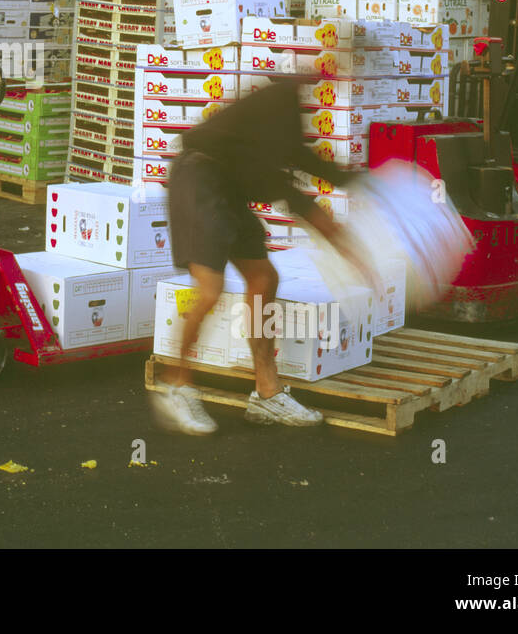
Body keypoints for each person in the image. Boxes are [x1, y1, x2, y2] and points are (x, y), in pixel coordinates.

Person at [151, 76, 377, 435]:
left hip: (228, 186)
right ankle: (176, 385)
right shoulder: (274, 117)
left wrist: (366, 182)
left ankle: (266, 393)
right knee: (209, 288)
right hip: (198, 179)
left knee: (264, 278)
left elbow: (309, 162)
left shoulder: (283, 116)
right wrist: (351, 253)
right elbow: (301, 203)